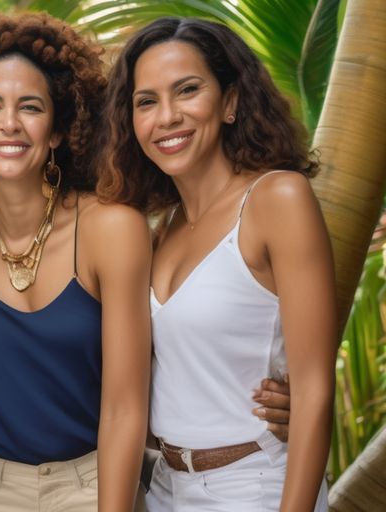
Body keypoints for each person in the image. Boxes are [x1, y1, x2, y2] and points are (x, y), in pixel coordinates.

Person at [0, 13, 152, 510]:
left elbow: (126, 407)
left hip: (94, 483)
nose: (10, 124)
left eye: (31, 107)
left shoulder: (111, 228)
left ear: (60, 130)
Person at [97, 17, 334, 511]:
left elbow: (313, 387)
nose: (166, 117)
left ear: (230, 101)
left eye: (187, 91)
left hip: (257, 486)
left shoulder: (277, 199)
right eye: (146, 101)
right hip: (164, 489)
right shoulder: (159, 228)